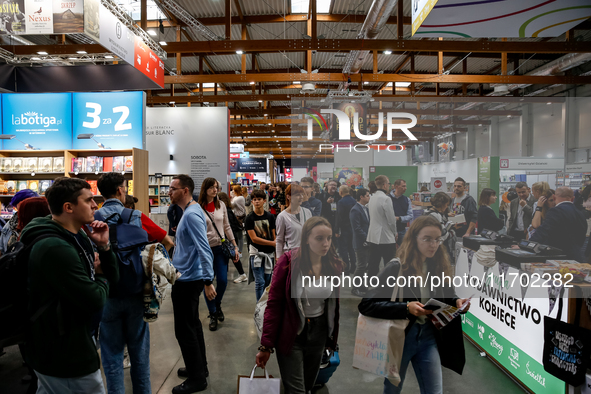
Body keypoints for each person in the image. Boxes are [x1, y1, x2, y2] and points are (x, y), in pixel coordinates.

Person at [22, 177, 117, 394]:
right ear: (68, 207)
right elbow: (95, 299)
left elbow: (114, 277)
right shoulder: (54, 247)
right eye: (89, 200)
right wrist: (101, 277)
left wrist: (104, 246)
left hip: (72, 340)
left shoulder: (79, 235)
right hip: (64, 352)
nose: (96, 205)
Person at [359, 215, 470, 394]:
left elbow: (448, 295)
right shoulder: (396, 268)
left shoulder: (438, 266)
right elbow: (366, 305)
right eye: (427, 239)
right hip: (400, 338)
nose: (433, 244)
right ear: (414, 239)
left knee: (434, 390)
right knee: (393, 389)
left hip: (428, 337)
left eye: (437, 239)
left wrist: (456, 302)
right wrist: (405, 308)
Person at [255, 217, 342, 394]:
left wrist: (331, 338)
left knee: (308, 385)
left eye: (329, 238)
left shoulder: (333, 264)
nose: (326, 244)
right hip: (291, 332)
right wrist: (266, 346)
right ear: (306, 238)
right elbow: (274, 305)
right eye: (319, 238)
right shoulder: (288, 262)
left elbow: (333, 307)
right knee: (296, 390)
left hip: (319, 332)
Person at [96, 173, 154, 394]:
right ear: (121, 190)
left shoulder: (94, 215)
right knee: (140, 354)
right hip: (135, 289)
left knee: (111, 357)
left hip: (107, 292)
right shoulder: (134, 215)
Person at [168, 175, 215, 394]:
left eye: (172, 188)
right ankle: (199, 369)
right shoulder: (189, 212)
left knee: (184, 331)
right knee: (193, 326)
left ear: (185, 190)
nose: (169, 191)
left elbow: (204, 249)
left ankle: (197, 379)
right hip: (186, 277)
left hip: (188, 280)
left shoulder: (192, 214)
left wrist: (208, 281)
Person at [198, 177, 240, 332]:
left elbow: (227, 226)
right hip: (205, 250)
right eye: (212, 187)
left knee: (222, 281)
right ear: (205, 189)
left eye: (216, 187)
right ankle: (213, 313)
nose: (215, 190)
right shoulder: (198, 207)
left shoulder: (221, 204)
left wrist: (235, 245)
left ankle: (217, 303)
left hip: (220, 249)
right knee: (207, 282)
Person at [530, 187, 588, 262]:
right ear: (573, 198)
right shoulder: (580, 213)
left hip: (557, 257)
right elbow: (582, 236)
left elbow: (543, 232)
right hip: (576, 257)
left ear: (554, 197)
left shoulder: (555, 211)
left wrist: (526, 245)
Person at [245, 189, 277, 301]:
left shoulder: (270, 217)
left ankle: (266, 303)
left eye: (259, 199)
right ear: (252, 202)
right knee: (260, 281)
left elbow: (274, 234)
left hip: (269, 253)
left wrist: (275, 248)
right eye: (254, 199)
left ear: (264, 201)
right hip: (256, 253)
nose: (257, 202)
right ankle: (260, 304)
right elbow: (254, 239)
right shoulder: (249, 218)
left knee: (268, 280)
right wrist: (272, 243)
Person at [366, 175, 398, 280]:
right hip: (386, 237)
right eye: (388, 184)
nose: (389, 186)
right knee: (389, 264)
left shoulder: (372, 198)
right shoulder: (386, 199)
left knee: (373, 264)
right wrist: (395, 232)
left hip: (373, 236)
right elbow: (391, 219)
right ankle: (388, 287)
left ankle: (371, 286)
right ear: (384, 185)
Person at [218, 191, 248, 283]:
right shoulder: (228, 210)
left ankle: (242, 274)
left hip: (227, 238)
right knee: (230, 256)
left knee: (234, 256)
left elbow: (229, 226)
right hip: (228, 238)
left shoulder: (226, 211)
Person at [275, 184, 311, 260]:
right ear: (288, 197)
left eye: (302, 194)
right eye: (297, 195)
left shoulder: (307, 212)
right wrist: (278, 257)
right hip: (291, 255)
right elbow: (279, 240)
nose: (301, 197)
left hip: (306, 254)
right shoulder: (282, 216)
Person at [0, 189, 38, 254]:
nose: (24, 207)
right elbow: (2, 248)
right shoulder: (10, 224)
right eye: (21, 204)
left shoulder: (38, 224)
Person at [350, 188, 370, 297]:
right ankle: (355, 288)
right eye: (367, 195)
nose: (369, 197)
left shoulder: (365, 209)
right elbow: (356, 228)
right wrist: (367, 238)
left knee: (364, 265)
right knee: (361, 265)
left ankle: (362, 285)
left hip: (366, 242)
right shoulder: (355, 210)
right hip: (360, 242)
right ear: (361, 197)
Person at [424, 192, 456, 261]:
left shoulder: (426, 211)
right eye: (446, 205)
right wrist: (452, 231)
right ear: (442, 204)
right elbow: (444, 235)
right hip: (437, 247)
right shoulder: (436, 215)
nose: (447, 207)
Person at [335, 185, 357, 274]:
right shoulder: (354, 201)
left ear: (340, 192)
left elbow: (339, 217)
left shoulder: (341, 202)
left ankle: (346, 268)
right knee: (351, 248)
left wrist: (336, 230)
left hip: (343, 228)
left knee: (343, 249)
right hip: (352, 228)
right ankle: (353, 267)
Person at [390, 179, 413, 245]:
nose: (405, 188)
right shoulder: (387, 199)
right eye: (403, 186)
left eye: (405, 186)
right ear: (397, 187)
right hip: (389, 231)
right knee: (390, 253)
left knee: (404, 251)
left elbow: (410, 216)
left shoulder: (407, 200)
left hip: (402, 230)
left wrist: (399, 218)